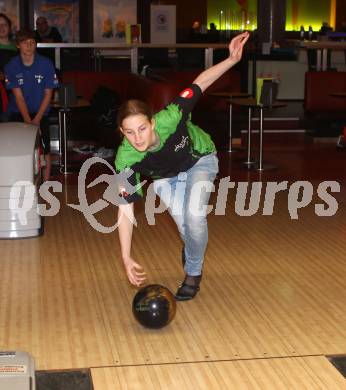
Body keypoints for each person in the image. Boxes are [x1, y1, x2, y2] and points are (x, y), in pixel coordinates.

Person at [115, 31, 249, 300]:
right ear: (122, 132)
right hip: (165, 177)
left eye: (142, 128)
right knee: (185, 224)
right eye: (130, 132)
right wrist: (126, 257)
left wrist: (232, 60)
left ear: (152, 122)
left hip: (200, 160)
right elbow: (125, 211)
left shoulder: (171, 116)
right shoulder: (125, 159)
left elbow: (201, 82)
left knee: (194, 217)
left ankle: (193, 273)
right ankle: (192, 249)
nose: (138, 137)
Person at [4, 29, 59, 181]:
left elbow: (48, 94)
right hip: (19, 113)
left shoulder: (46, 64)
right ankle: (22, 182)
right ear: (17, 45)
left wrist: (37, 120)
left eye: (32, 42)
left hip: (41, 112)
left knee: (45, 149)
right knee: (21, 150)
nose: (29, 45)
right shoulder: (12, 66)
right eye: (24, 42)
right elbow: (18, 97)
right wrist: (29, 122)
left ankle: (46, 184)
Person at [0, 13, 17, 121]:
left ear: (9, 27)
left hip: (16, 92)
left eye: (4, 24)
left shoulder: (18, 47)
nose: (1, 28)